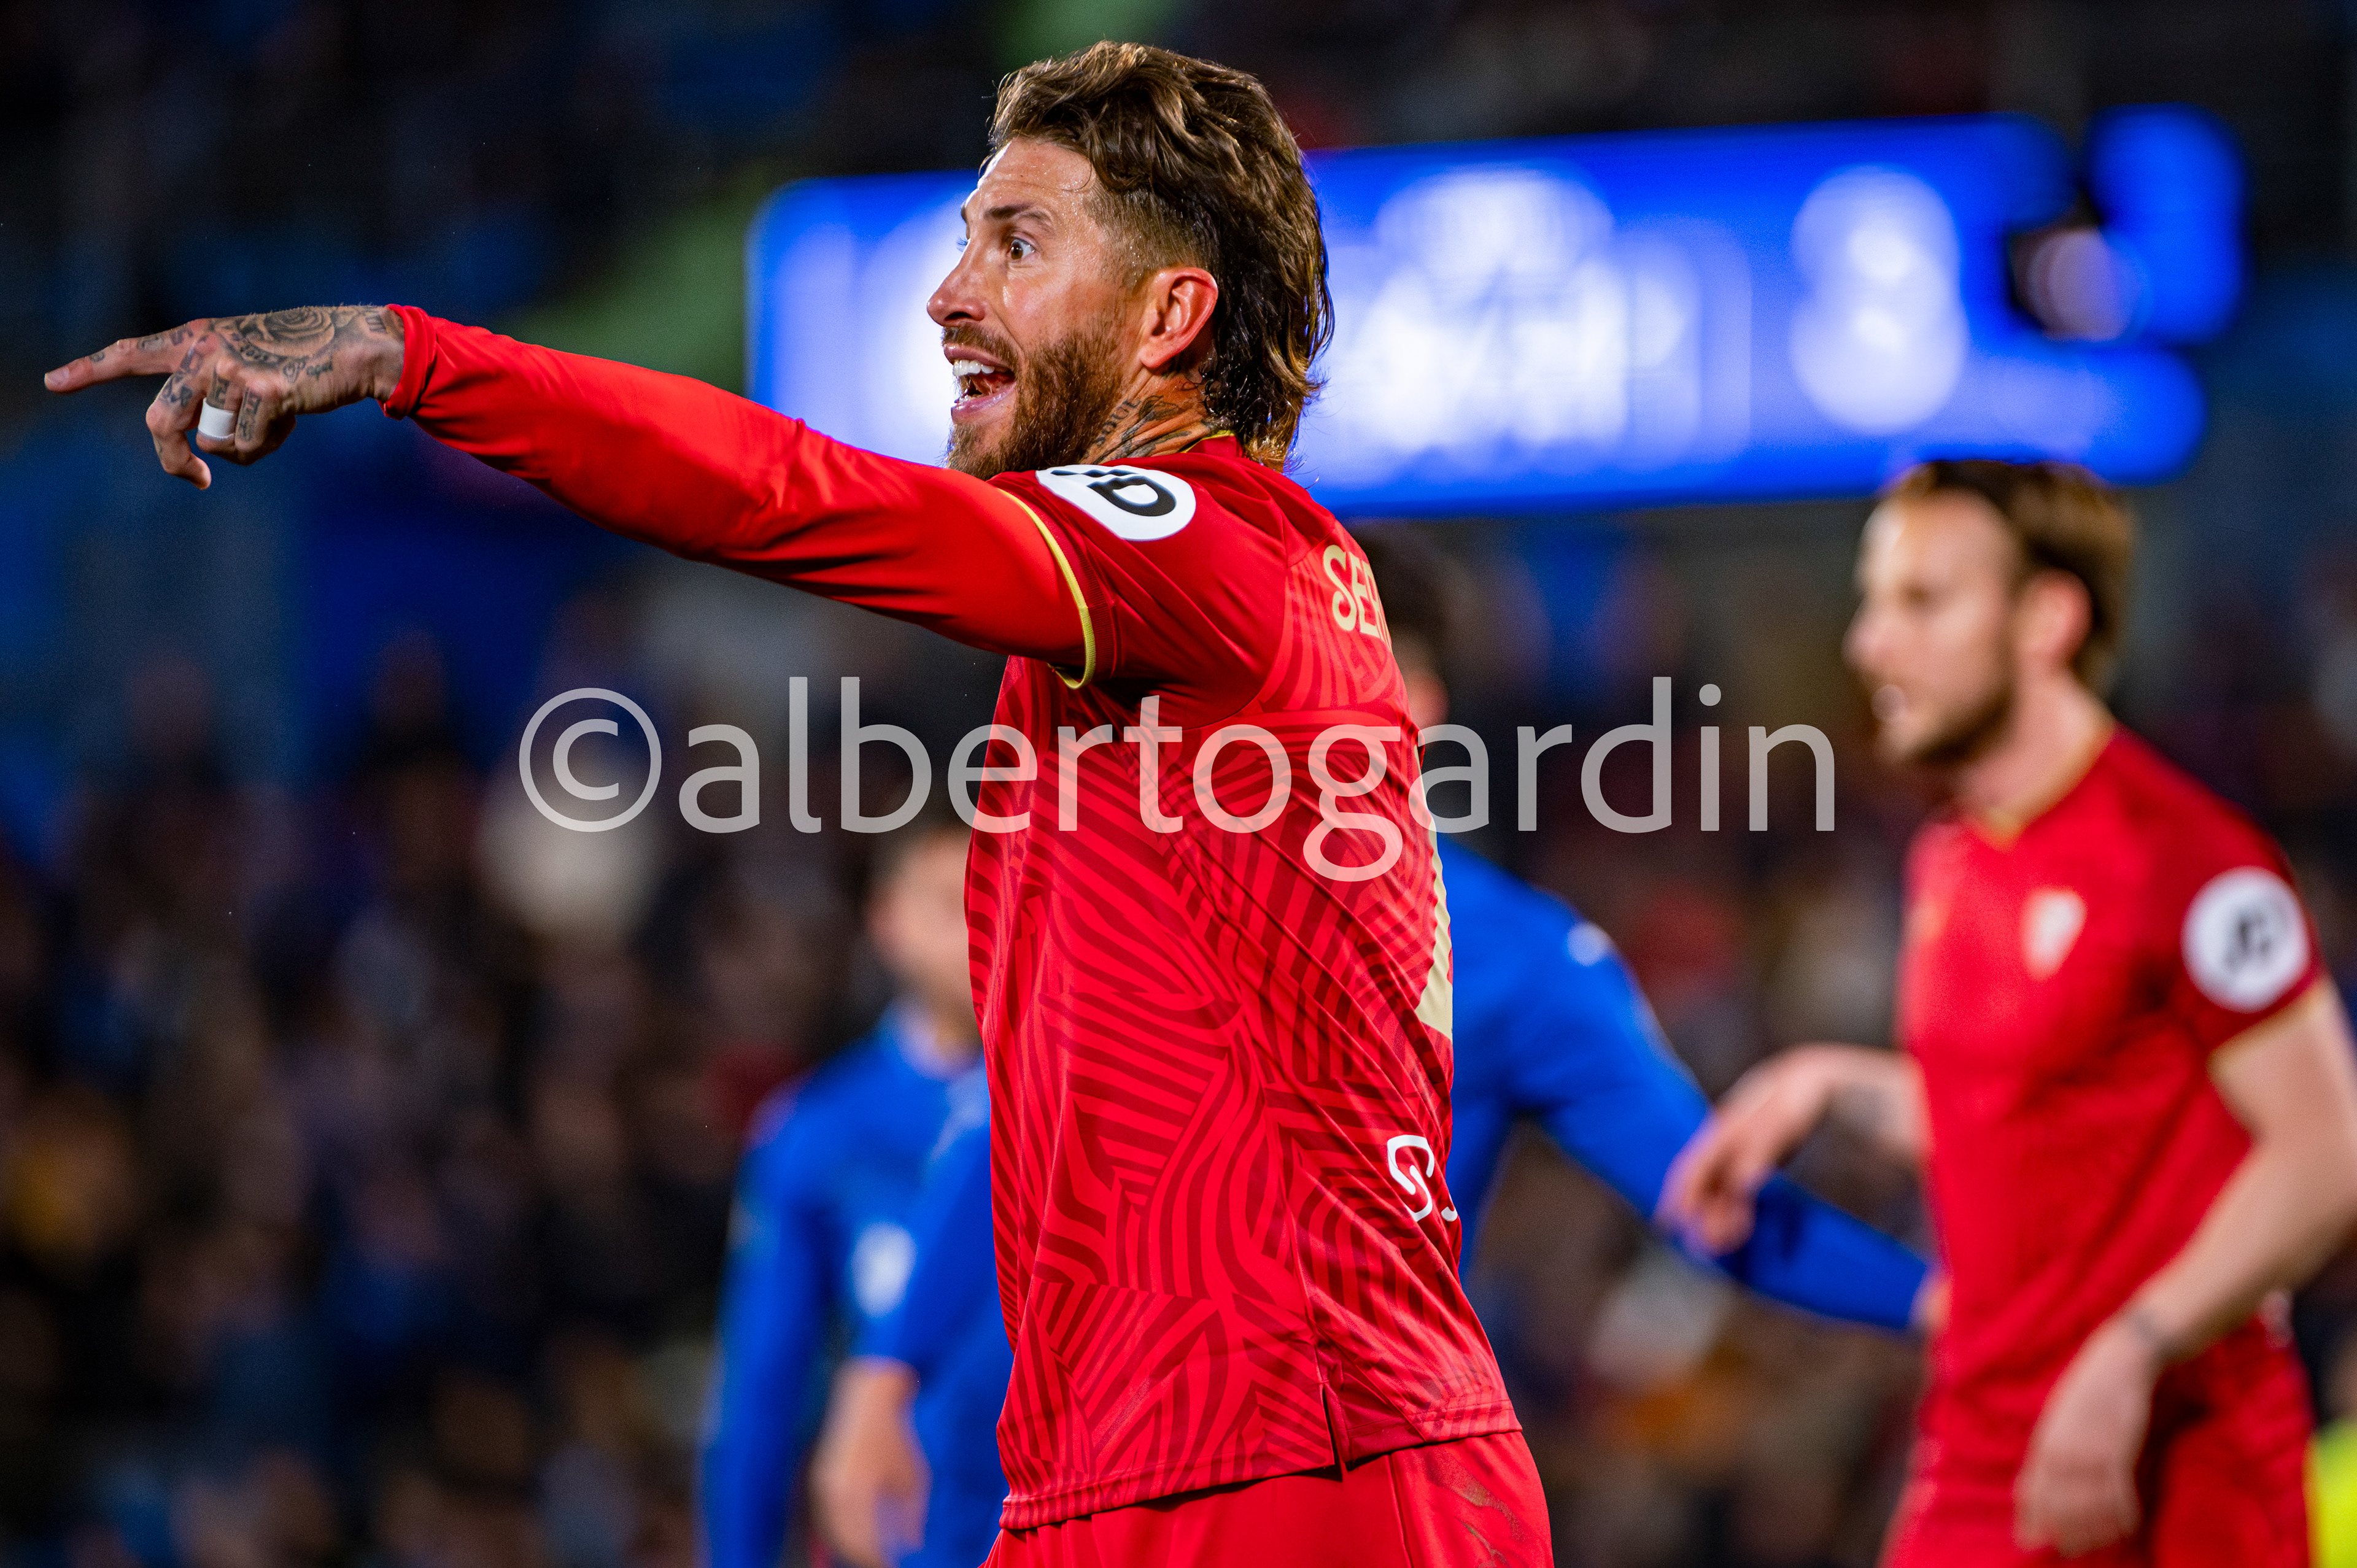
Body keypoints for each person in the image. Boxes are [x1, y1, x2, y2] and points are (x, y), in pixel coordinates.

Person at [50, 41, 1547, 1567]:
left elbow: (792, 492)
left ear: (1169, 317)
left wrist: (413, 355)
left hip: (1289, 1465)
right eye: (964, 239)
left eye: (1016, 243)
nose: (947, 293)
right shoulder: (1216, 600)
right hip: (1170, 1459)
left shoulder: (1195, 540)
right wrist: (898, 1373)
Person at [808, 530, 1937, 1567]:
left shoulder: (1517, 962)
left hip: (1324, 1482)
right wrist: (884, 1371)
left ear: (1415, 703)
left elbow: (1711, 1199)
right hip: (1059, 1477)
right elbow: (1018, 1132)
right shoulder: (1144, 896)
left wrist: (1944, 1307)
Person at [1663, 459, 2357, 1567]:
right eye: (1875, 602)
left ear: (2047, 618)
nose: (1870, 644)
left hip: (2182, 1459)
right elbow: (2022, 1115)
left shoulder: (2187, 861)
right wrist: (1825, 1083)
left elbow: (2325, 1150)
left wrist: (2136, 1348)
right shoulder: (1952, 860)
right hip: (1989, 1448)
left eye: (1923, 602)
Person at [700, 814, 986, 1568]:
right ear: (887, 921)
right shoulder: (819, 1130)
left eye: (1005, 897)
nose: (983, 929)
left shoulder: (1089, 1108)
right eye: (954, 903)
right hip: (910, 1536)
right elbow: (763, 1379)